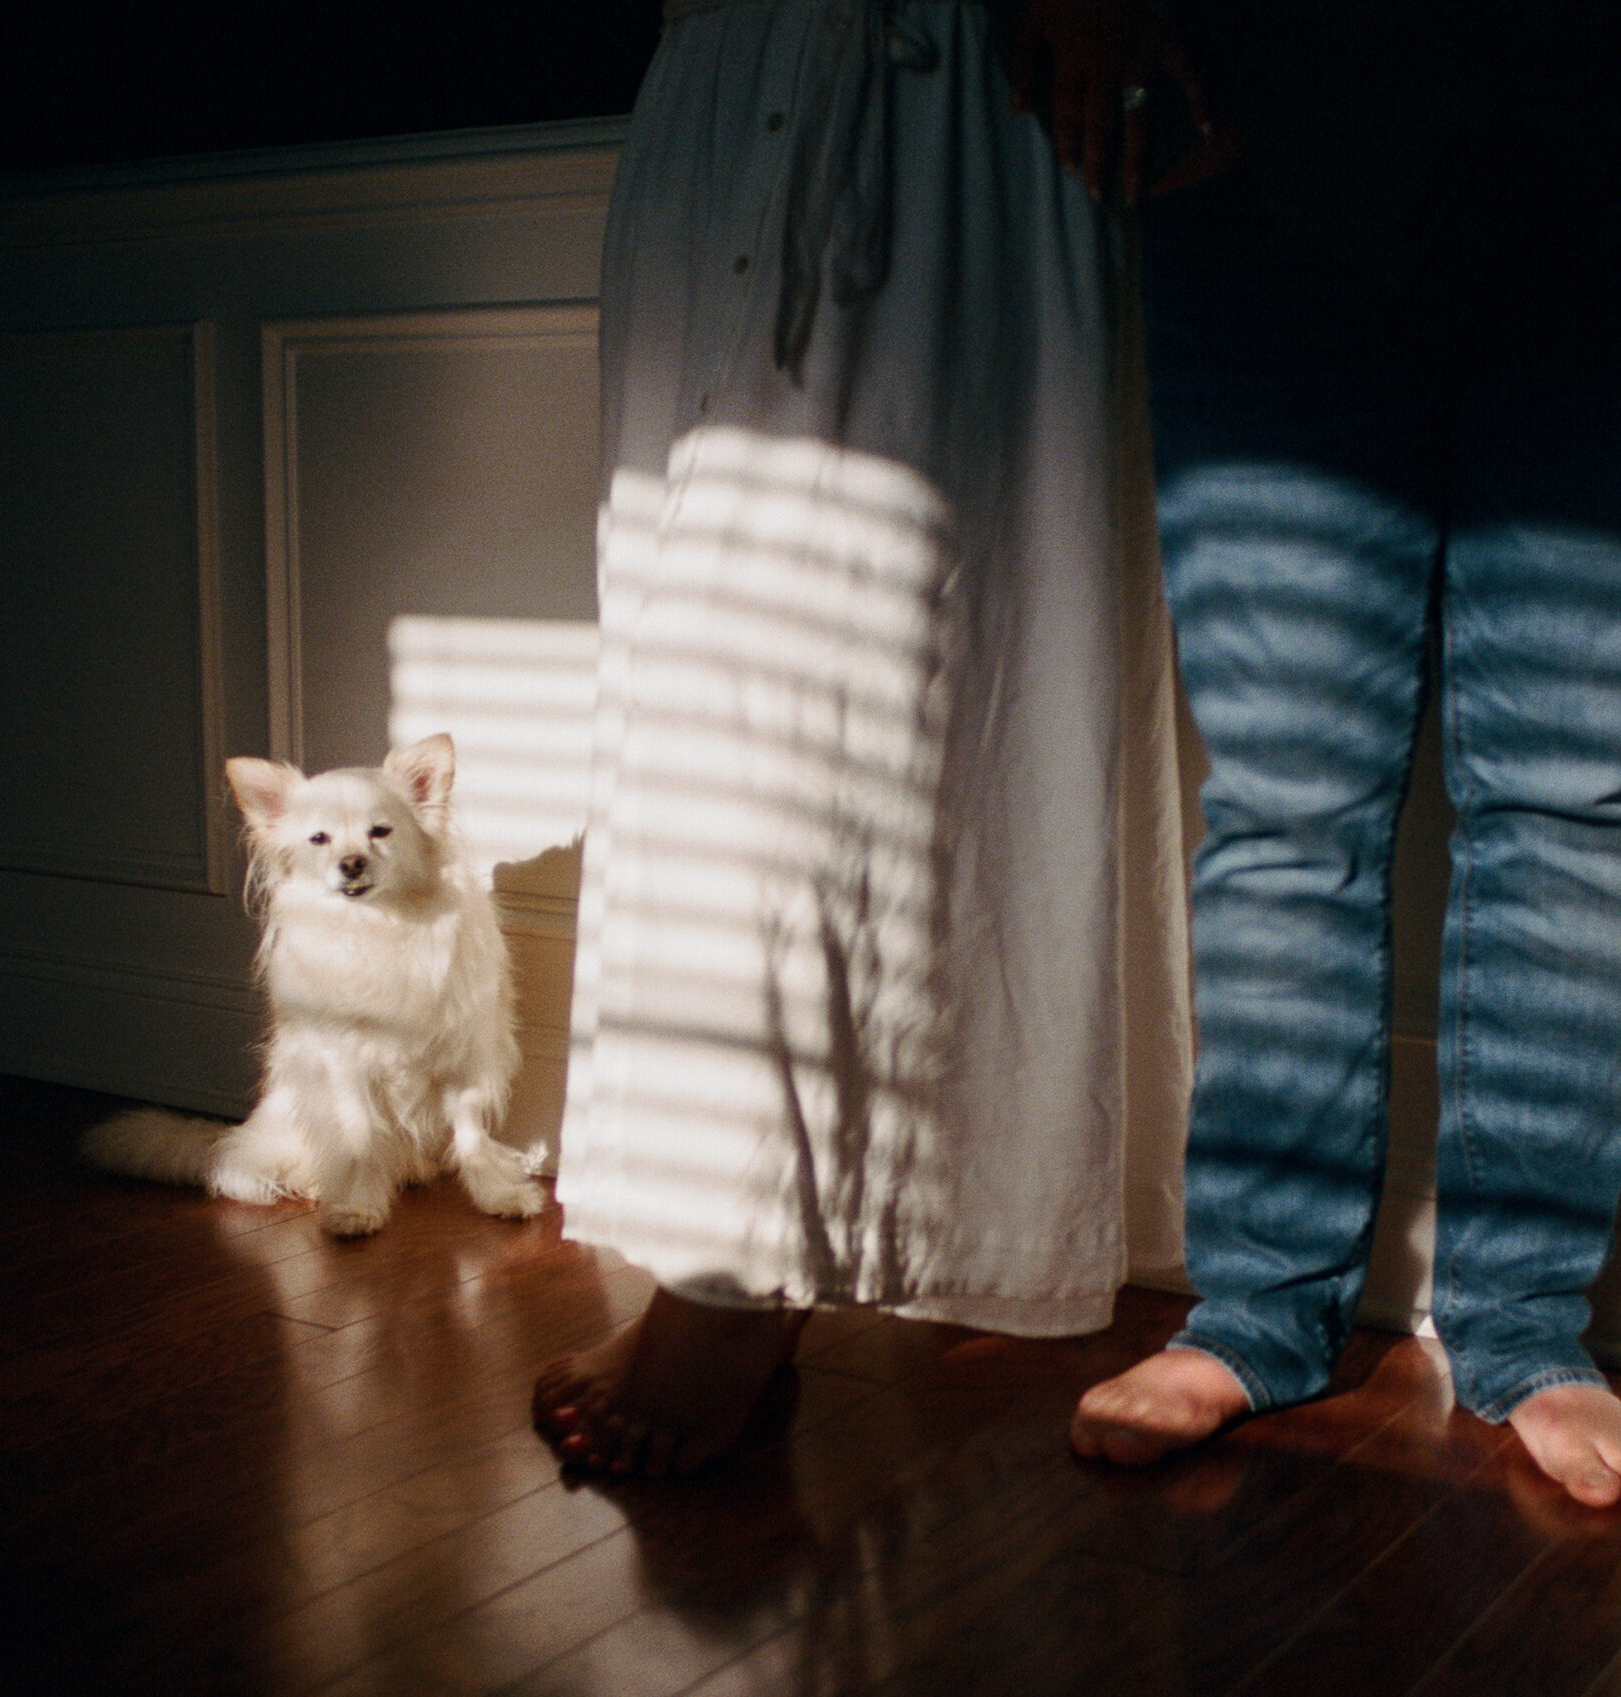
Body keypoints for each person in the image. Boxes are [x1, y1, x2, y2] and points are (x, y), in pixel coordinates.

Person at [1057, 0, 1621, 1506]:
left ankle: (1526, 1326)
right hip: (1262, 127)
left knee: (1568, 792)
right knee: (1285, 801)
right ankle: (1265, 1305)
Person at [533, 0, 1194, 1475]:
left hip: (957, 82)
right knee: (698, 693)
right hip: (730, 74)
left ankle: (739, 1274)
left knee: (860, 689)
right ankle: (728, 1248)